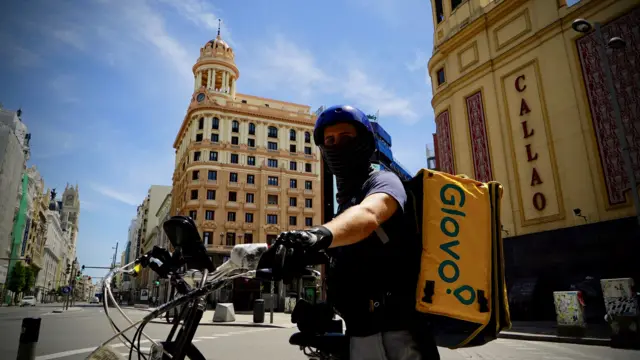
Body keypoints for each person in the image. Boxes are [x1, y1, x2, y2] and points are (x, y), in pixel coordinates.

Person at [276, 105, 440, 360]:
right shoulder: (346, 202)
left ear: (364, 142)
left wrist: (316, 235)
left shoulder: (383, 181)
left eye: (346, 138)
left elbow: (369, 216)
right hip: (362, 328)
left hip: (395, 332)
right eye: (329, 140)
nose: (336, 145)